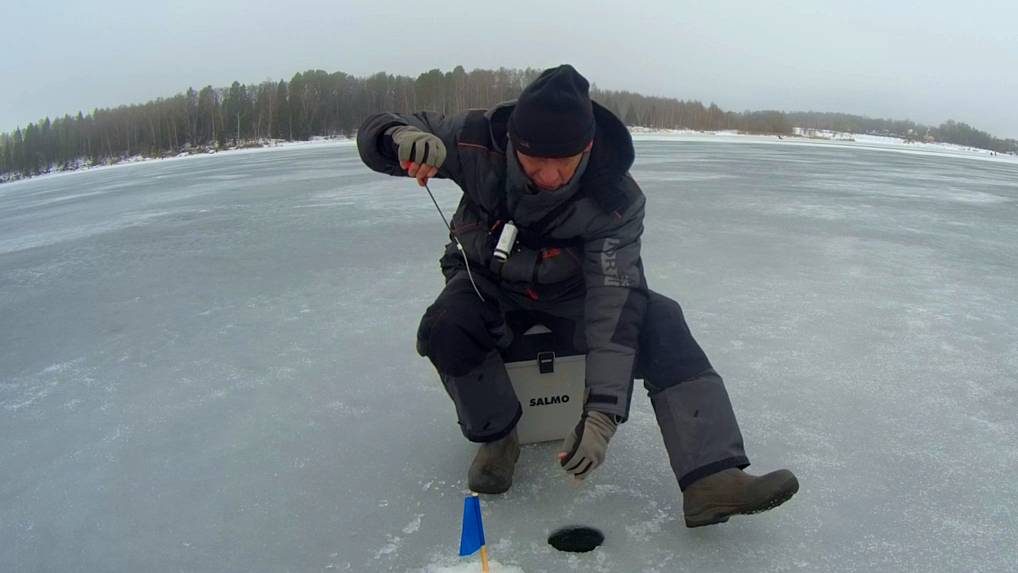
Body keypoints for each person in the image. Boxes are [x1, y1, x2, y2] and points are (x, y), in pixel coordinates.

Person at [357, 64, 798, 527]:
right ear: (512, 144)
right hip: (486, 280)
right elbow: (378, 129)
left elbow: (615, 300)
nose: (549, 176)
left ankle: (711, 479)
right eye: (533, 161)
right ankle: (499, 438)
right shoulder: (475, 139)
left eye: (564, 162)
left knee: (660, 318)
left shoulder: (615, 198)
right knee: (445, 325)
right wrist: (396, 138)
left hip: (574, 295)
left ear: (587, 148)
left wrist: (604, 415)